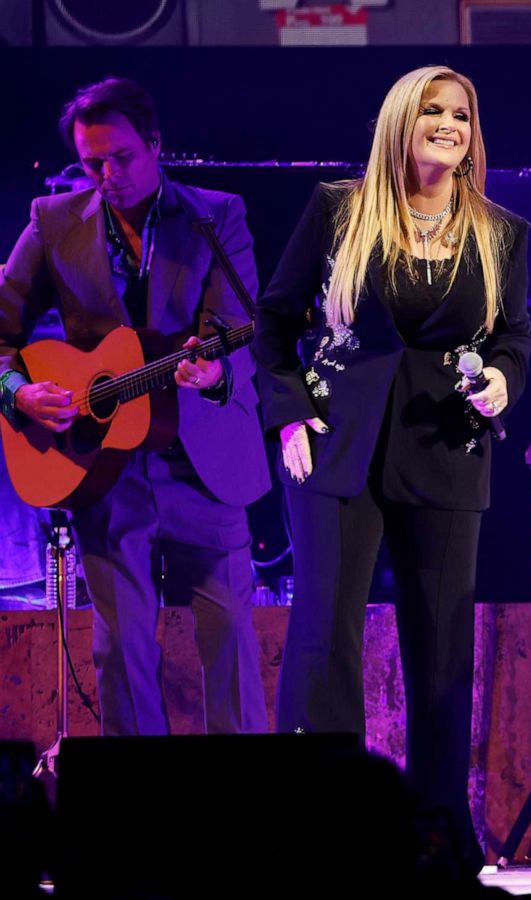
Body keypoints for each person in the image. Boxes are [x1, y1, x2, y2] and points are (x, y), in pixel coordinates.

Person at [252, 65, 531, 871]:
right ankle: (314, 835)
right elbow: (273, 324)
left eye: (462, 115)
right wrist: (289, 409)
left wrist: (505, 380)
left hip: (446, 445)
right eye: (434, 112)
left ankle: (437, 836)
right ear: (400, 123)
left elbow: (516, 336)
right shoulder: (338, 210)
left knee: (443, 649)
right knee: (323, 639)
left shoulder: (500, 230)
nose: (450, 124)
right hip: (336, 444)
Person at [0, 76, 270, 736]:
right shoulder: (54, 220)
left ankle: (252, 817)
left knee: (232, 633)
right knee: (121, 649)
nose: (106, 175)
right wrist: (17, 391)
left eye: (120, 158)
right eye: (92, 162)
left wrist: (212, 371)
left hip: (201, 459)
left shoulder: (216, 214)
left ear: (154, 144)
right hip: (104, 469)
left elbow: (233, 330)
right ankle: (137, 822)